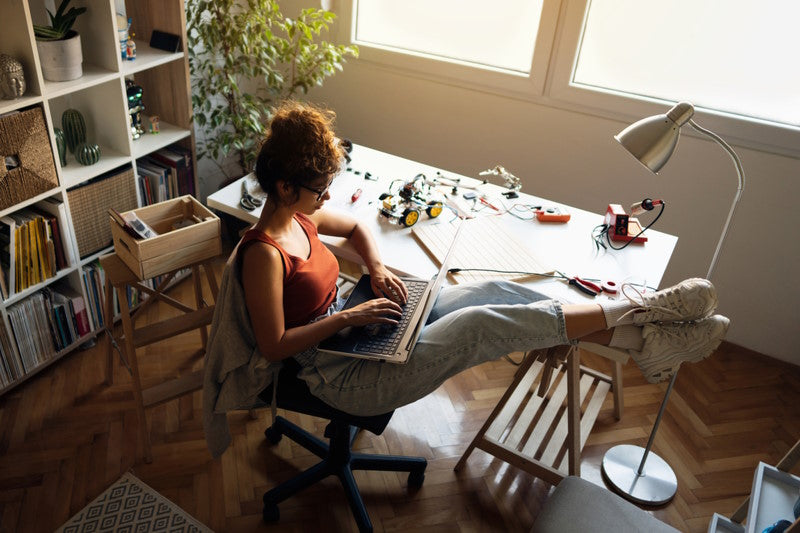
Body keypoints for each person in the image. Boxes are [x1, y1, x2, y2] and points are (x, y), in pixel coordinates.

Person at [203, 101, 729, 456]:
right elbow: (273, 347)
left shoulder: (302, 216)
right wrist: (351, 313)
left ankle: (644, 338)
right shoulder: (263, 256)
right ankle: (639, 317)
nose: (326, 198)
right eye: (320, 189)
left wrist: (379, 270)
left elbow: (361, 228)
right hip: (337, 374)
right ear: (285, 185)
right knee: (478, 325)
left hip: (356, 330)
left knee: (490, 291)